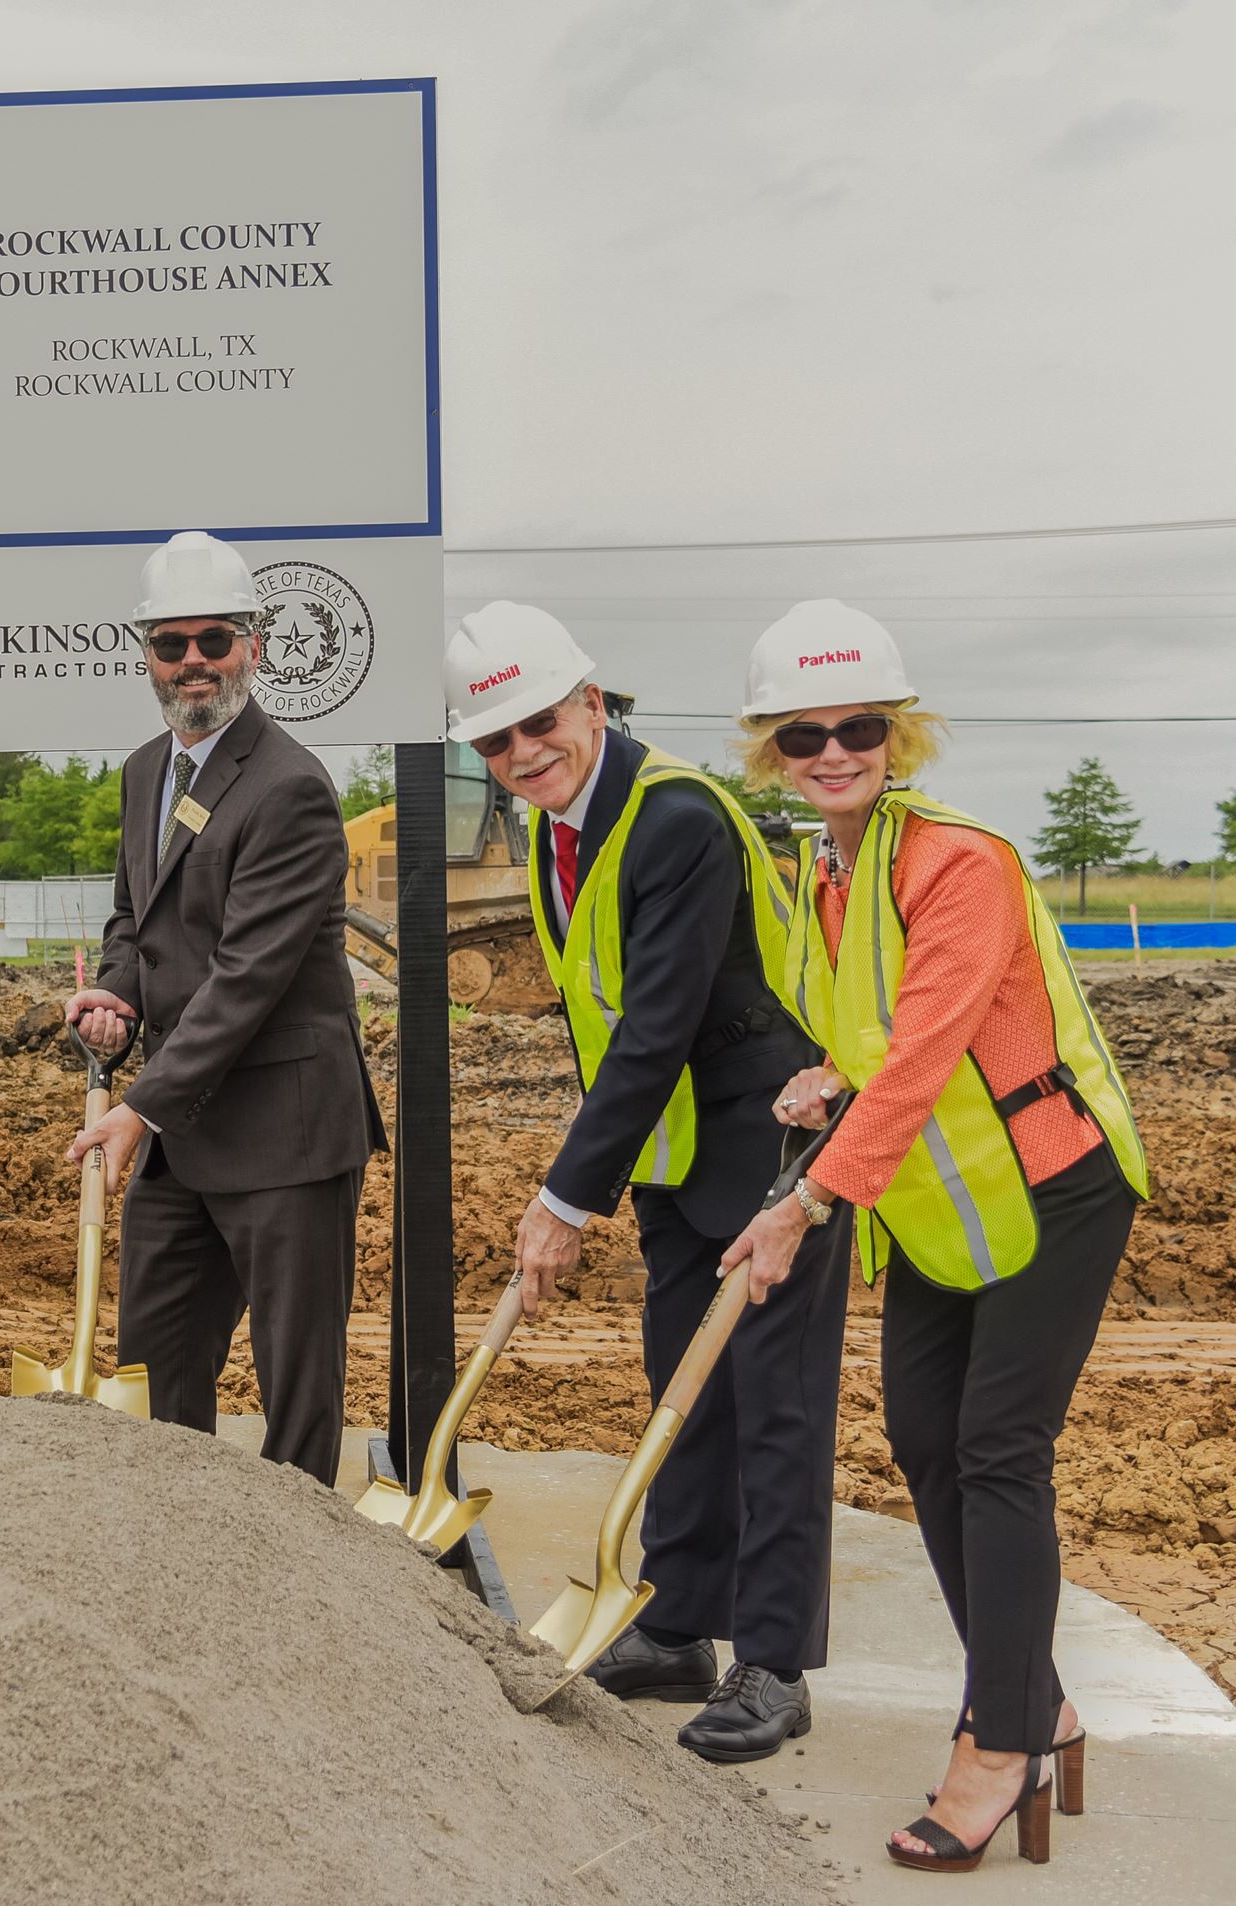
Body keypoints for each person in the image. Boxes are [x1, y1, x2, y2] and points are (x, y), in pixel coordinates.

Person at [720, 601, 1145, 1871]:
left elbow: (933, 1043)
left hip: (1052, 1185)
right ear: (772, 747)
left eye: (858, 727)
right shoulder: (826, 864)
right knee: (922, 1443)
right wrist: (824, 1082)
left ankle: (999, 1738)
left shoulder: (958, 860)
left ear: (897, 734)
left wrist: (802, 1201)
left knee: (995, 1450)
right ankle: (1039, 1698)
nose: (833, 750)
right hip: (937, 1198)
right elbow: (873, 1040)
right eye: (805, 733)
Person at [447, 602, 851, 1764]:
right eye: (494, 740)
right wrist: (609, 1171)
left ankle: (773, 1664)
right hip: (680, 1143)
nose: (522, 752)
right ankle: (679, 1625)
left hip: (771, 1135)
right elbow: (604, 1012)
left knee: (770, 1404)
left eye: (537, 722)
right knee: (678, 1380)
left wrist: (564, 1196)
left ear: (589, 702)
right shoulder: (555, 821)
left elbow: (657, 1025)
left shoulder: (671, 815)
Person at [61, 531, 387, 1487]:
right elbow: (137, 917)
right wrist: (117, 993)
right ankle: (176, 1544)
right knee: (155, 1357)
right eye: (172, 643)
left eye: (215, 638)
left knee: (297, 1383)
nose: (194, 660)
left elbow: (249, 975)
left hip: (283, 1131)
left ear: (254, 644)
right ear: (147, 655)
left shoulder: (289, 788)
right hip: (182, 1130)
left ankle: (296, 1570)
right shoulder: (141, 773)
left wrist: (141, 1102)